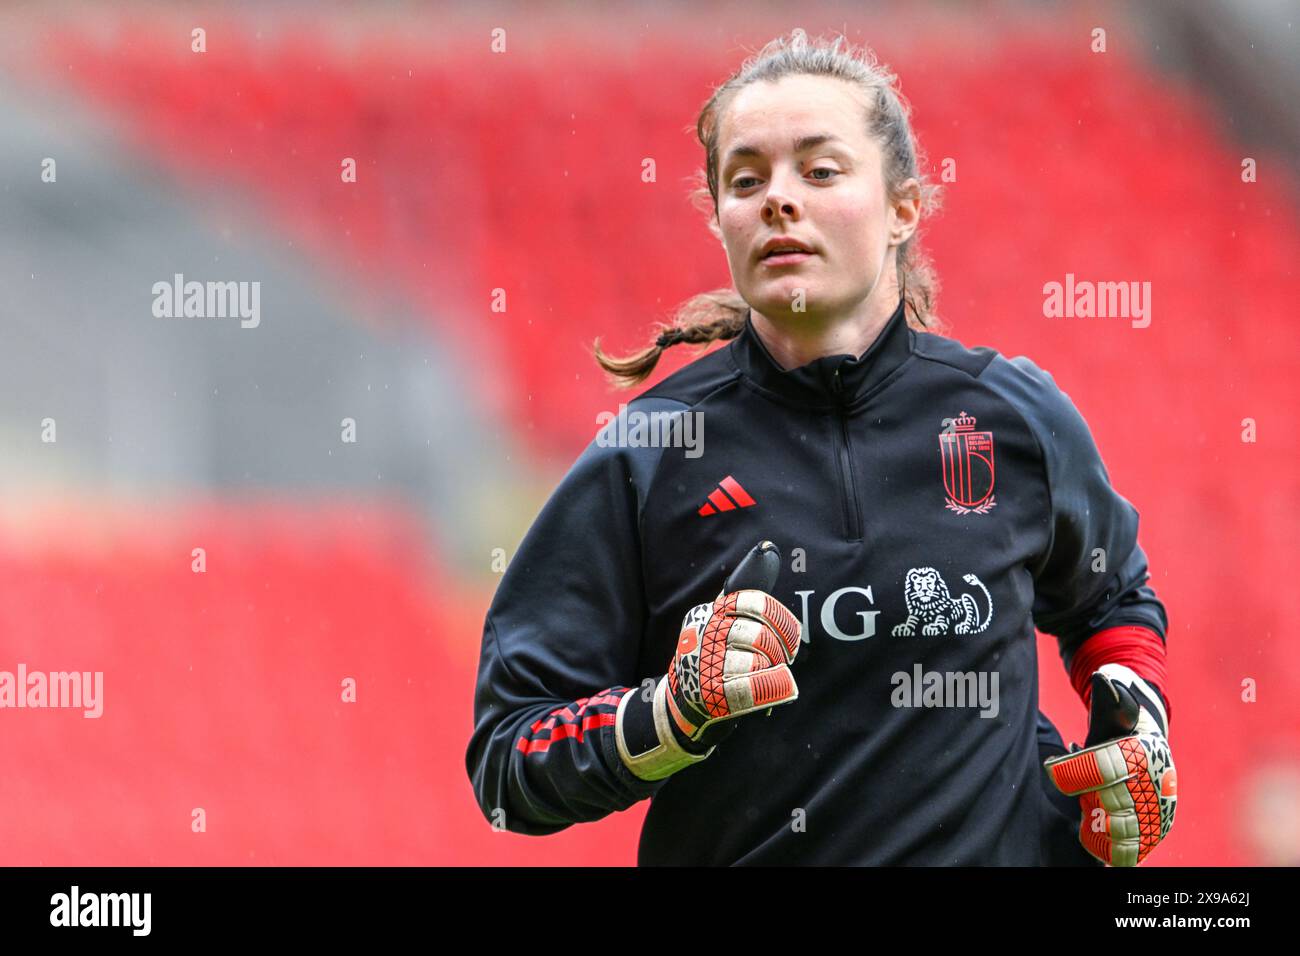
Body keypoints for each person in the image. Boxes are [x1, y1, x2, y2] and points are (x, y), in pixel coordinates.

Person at [465, 29, 1176, 866]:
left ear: (903, 209)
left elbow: (1109, 603)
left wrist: (1139, 738)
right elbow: (508, 763)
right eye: (746, 179)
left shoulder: (1014, 417)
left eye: (820, 169)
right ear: (720, 220)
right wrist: (672, 715)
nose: (778, 199)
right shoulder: (652, 453)